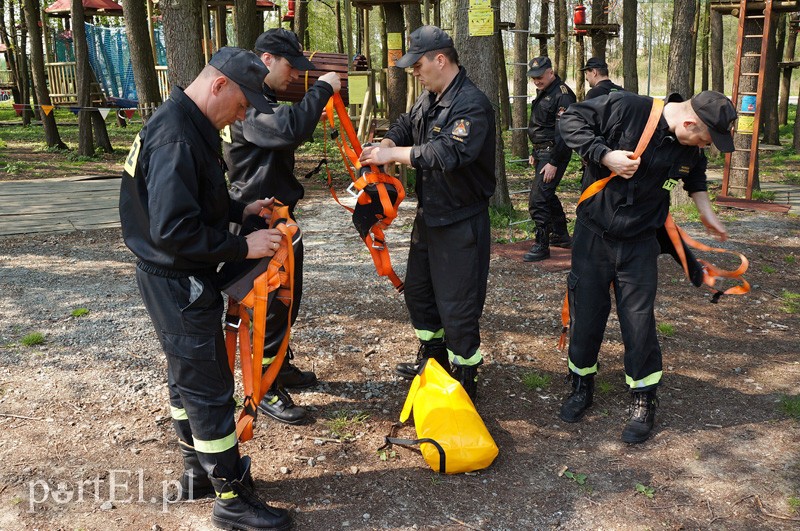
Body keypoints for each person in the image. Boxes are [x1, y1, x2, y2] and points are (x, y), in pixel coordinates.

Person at [119, 47, 292, 530]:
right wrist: (245, 247)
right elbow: (174, 229)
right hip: (179, 279)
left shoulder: (188, 123)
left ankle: (198, 469)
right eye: (241, 104)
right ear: (218, 85)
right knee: (209, 385)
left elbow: (196, 198)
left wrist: (242, 210)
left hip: (169, 276)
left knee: (186, 377)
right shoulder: (177, 136)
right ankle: (232, 499)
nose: (243, 115)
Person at [557, 90, 736, 444]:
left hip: (641, 242)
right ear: (689, 122)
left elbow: (695, 176)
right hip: (594, 235)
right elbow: (569, 120)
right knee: (587, 313)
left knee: (638, 320)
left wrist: (707, 213)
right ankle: (581, 384)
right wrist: (605, 155)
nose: (705, 147)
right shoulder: (627, 108)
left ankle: (643, 396)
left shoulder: (690, 148)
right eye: (705, 138)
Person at [358, 26, 496, 401]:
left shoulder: (471, 103)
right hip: (431, 216)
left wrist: (393, 156)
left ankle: (465, 378)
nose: (414, 72)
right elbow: (407, 125)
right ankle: (433, 361)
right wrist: (388, 141)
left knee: (458, 306)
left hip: (461, 221)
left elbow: (446, 154)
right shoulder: (431, 96)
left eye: (418, 65)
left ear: (440, 59)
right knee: (419, 294)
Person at [223, 28, 342, 426]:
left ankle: (279, 365)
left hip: (279, 215)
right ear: (268, 59)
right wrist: (323, 89)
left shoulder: (263, 100)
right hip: (260, 220)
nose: (294, 76)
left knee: (286, 303)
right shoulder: (249, 105)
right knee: (268, 308)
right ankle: (265, 387)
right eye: (290, 66)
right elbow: (289, 127)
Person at [524, 56, 576, 262]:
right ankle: (561, 235)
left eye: (539, 76)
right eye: (533, 77)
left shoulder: (562, 95)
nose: (536, 81)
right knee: (547, 194)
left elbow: (564, 132)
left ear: (550, 72)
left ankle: (541, 245)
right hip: (542, 152)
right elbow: (541, 125)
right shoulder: (545, 91)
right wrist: (534, 151)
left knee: (538, 200)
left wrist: (553, 162)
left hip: (553, 153)